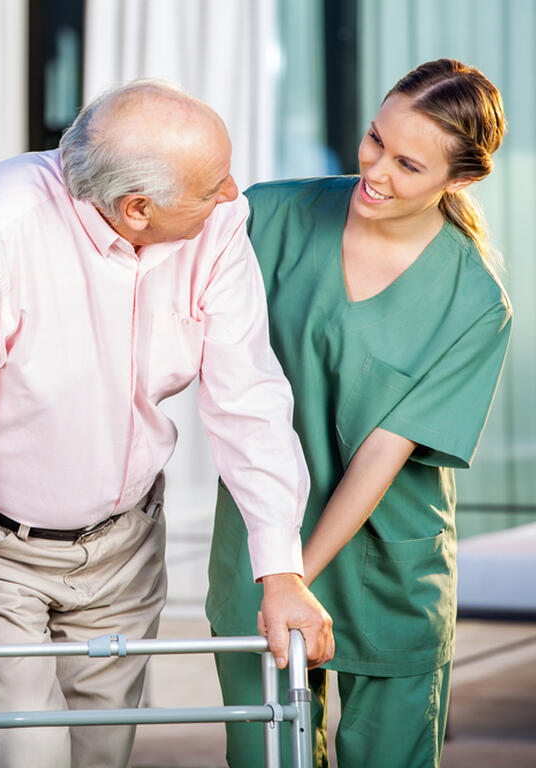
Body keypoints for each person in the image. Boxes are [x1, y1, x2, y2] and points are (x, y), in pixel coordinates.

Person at [0, 80, 334, 768]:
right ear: (137, 208)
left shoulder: (216, 226)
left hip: (125, 546)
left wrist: (282, 572)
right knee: (26, 757)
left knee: (103, 756)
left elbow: (250, 403)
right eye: (213, 182)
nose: (233, 191)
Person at [207, 59, 511, 768]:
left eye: (408, 164)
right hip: (258, 556)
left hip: (388, 570)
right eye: (375, 140)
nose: (374, 170)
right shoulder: (270, 217)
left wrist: (296, 578)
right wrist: (275, 577)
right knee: (266, 757)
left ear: (458, 180)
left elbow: (384, 451)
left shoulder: (475, 302)